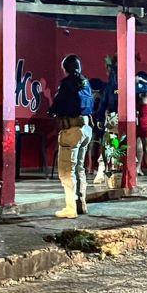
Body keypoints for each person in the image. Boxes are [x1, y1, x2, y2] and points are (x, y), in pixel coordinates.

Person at [48, 54, 94, 218]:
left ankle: (70, 208)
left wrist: (52, 110)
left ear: (66, 69)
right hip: (86, 128)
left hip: (72, 130)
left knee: (67, 170)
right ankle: (81, 204)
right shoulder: (85, 83)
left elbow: (56, 107)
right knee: (79, 167)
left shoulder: (67, 84)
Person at [92, 55, 118, 184]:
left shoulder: (110, 86)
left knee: (108, 145)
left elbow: (104, 103)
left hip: (114, 118)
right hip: (118, 118)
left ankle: (104, 170)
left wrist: (100, 117)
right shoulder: (121, 84)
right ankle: (107, 171)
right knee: (113, 146)